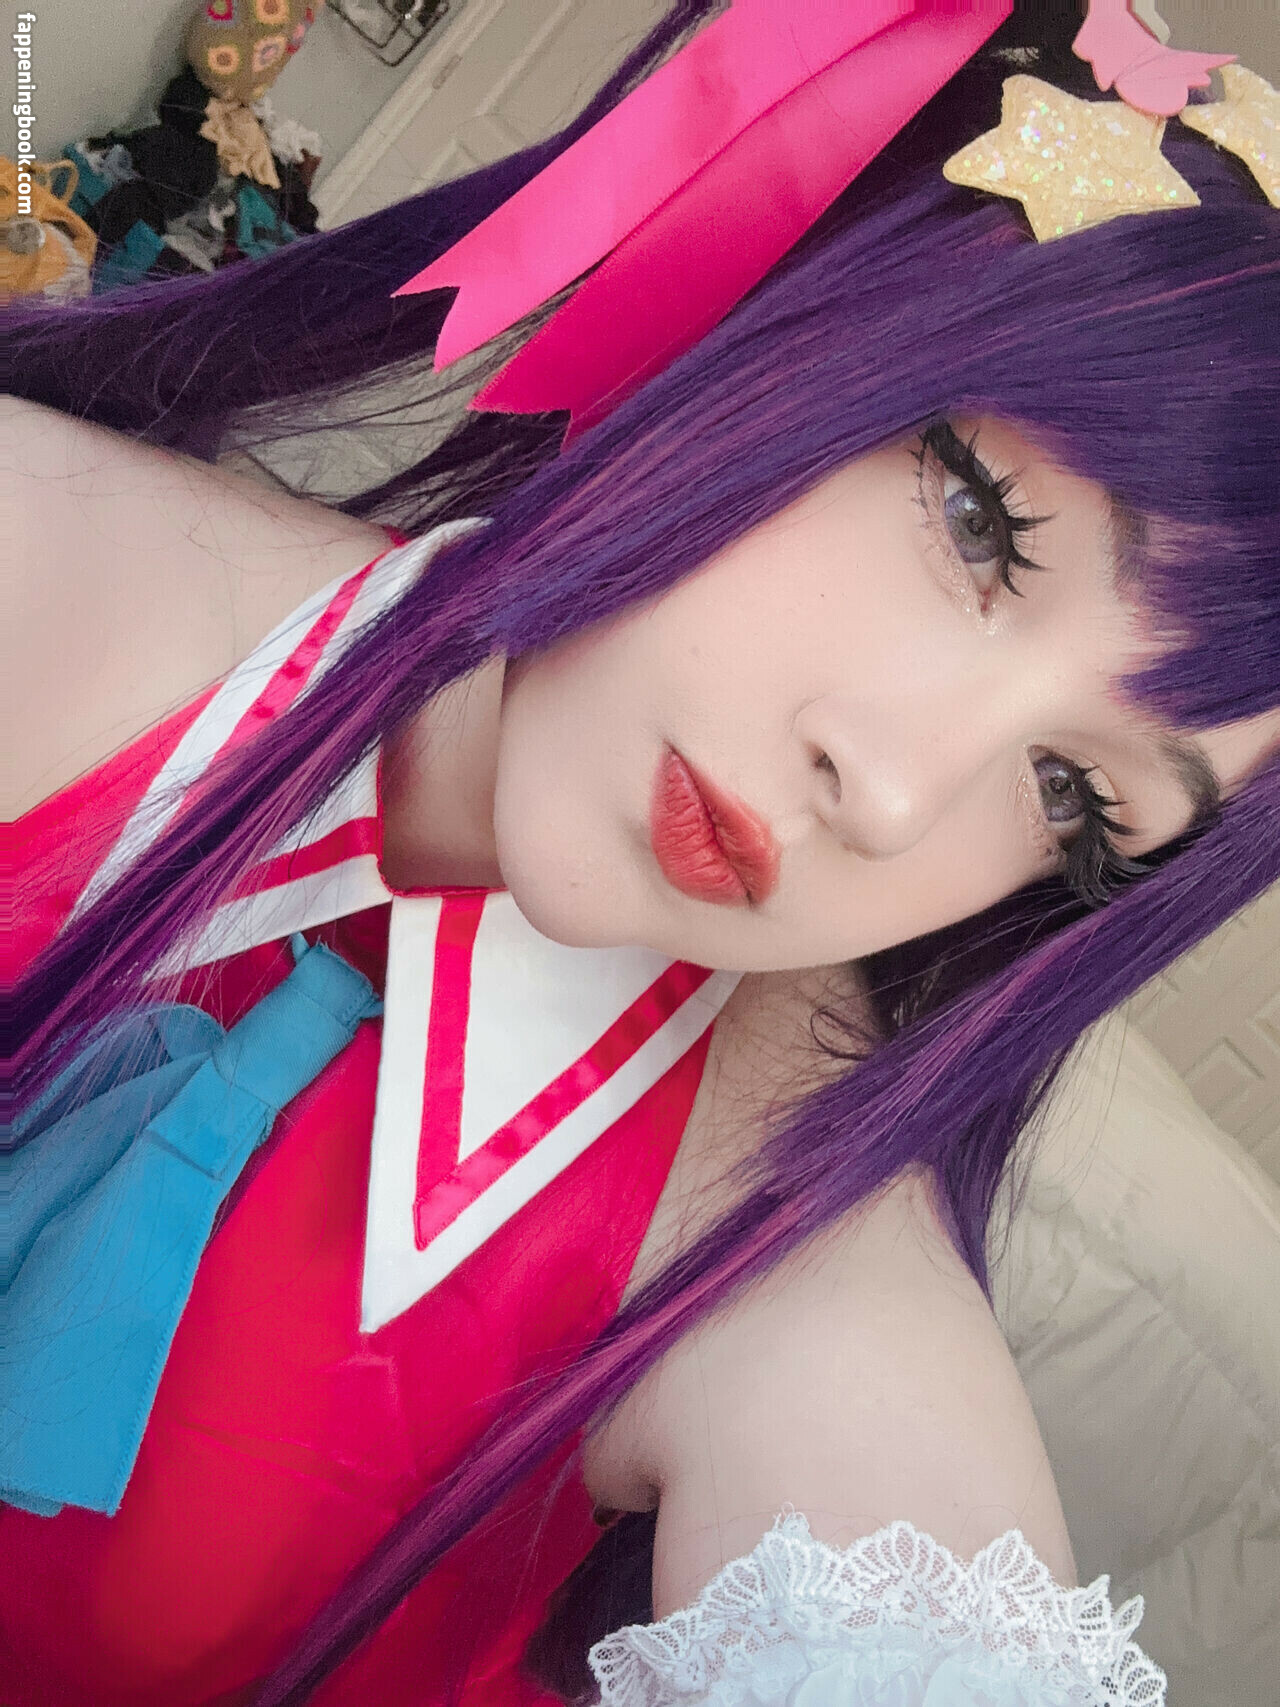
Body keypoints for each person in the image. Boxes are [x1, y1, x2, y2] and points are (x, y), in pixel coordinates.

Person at [5, 2, 1277, 1702]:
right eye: (981, 525)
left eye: (1079, 799)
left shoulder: (784, 1279)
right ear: (795, 314)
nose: (894, 797)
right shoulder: (53, 558)